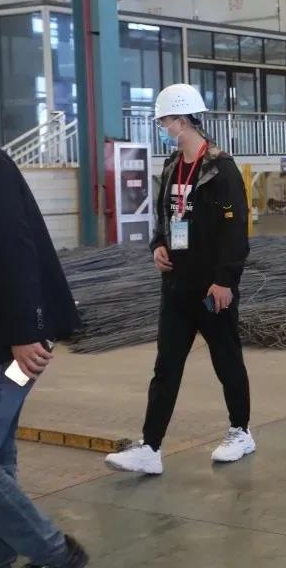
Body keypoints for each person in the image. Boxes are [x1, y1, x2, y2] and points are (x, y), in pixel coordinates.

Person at [106, 84, 253, 475]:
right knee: (166, 366)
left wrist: (225, 280)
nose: (163, 127)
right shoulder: (173, 165)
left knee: (226, 360)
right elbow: (165, 215)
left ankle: (241, 431)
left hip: (212, 288)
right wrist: (158, 244)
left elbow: (235, 229)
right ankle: (150, 447)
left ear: (184, 120)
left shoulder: (220, 168)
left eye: (166, 121)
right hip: (176, 287)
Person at [0, 147, 90, 568]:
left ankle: (55, 553)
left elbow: (14, 248)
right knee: (0, 455)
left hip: (17, 348)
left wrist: (26, 331)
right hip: (7, 343)